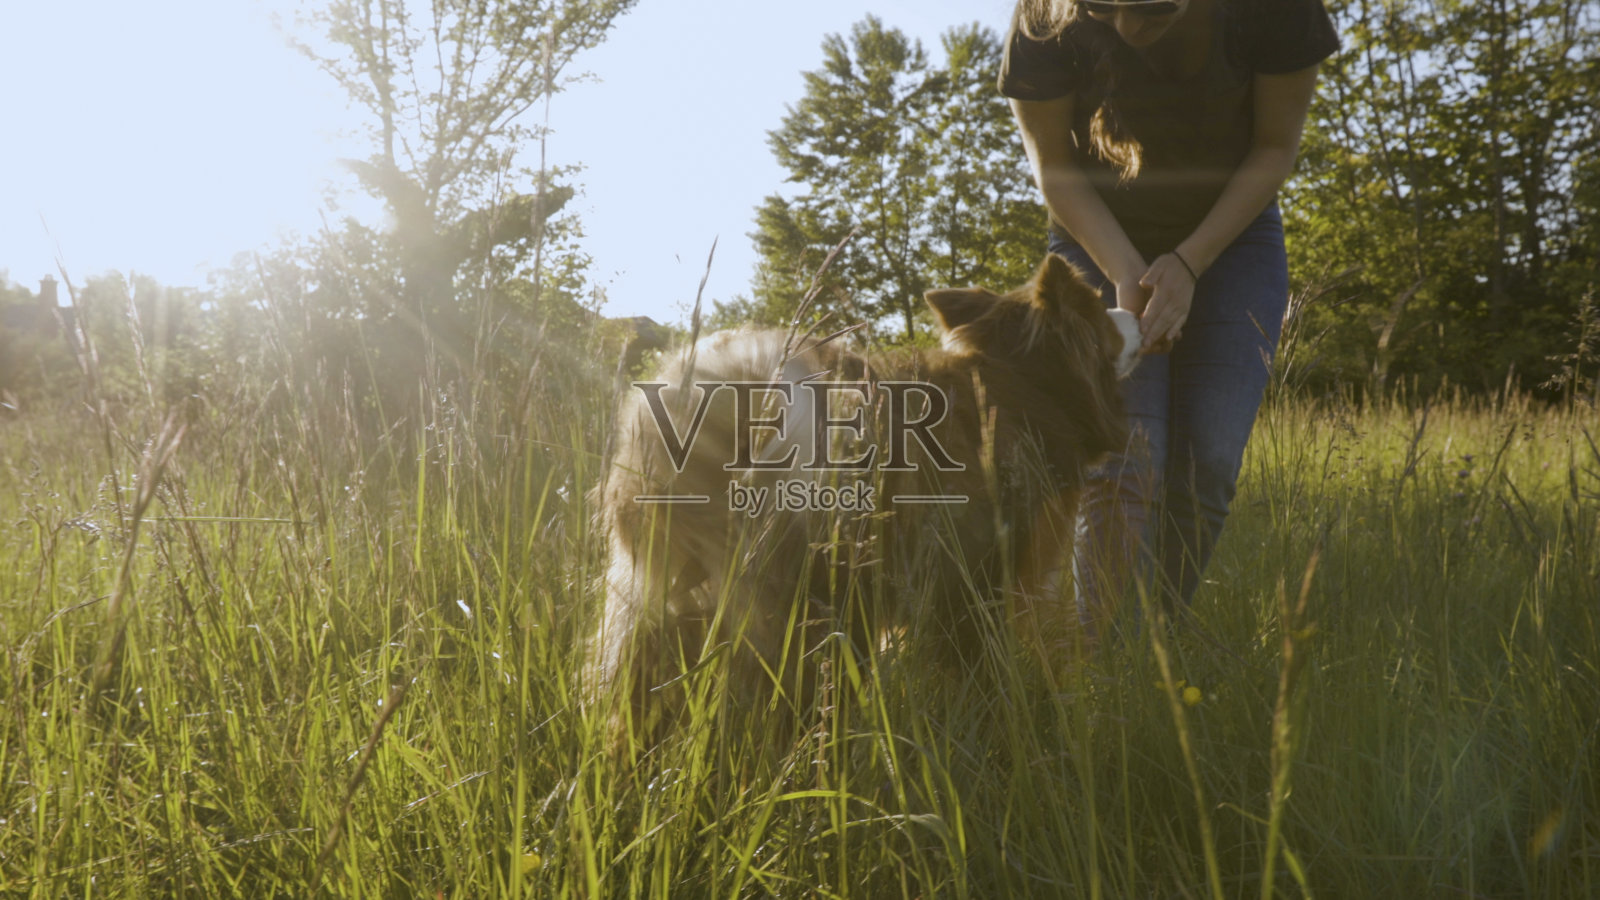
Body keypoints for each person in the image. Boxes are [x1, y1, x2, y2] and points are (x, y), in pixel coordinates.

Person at [998, 0, 1339, 626]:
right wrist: (1126, 271)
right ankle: (1106, 657)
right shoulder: (1046, 14)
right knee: (1122, 460)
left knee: (1207, 461)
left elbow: (1273, 148)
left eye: (1153, 9)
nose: (1128, 29)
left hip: (1233, 238)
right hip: (1096, 238)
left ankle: (1159, 642)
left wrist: (1188, 263)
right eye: (1103, 8)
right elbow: (1054, 168)